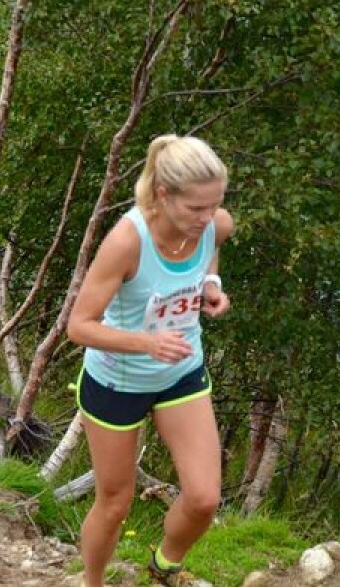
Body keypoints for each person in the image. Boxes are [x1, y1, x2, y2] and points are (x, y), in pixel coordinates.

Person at [66, 134, 233, 586]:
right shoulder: (127, 241)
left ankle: (165, 566)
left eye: (214, 205)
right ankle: (93, 582)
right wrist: (146, 343)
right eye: (195, 209)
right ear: (163, 194)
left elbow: (211, 246)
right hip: (116, 382)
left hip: (180, 374)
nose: (206, 218)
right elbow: (79, 326)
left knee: (203, 499)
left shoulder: (214, 225)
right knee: (115, 503)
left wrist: (210, 285)